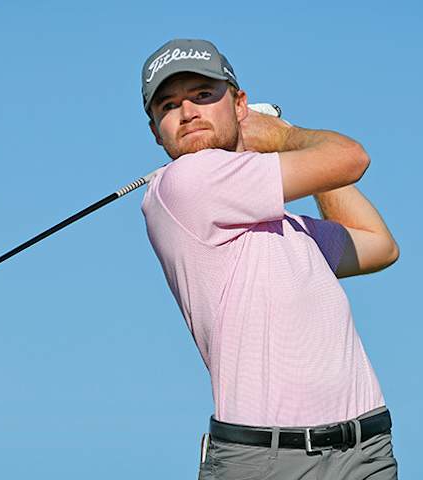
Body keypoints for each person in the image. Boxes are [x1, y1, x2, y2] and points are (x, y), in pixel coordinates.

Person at [139, 38, 400, 480]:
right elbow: (350, 158)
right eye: (168, 105)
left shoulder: (284, 226)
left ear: (240, 104)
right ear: (156, 131)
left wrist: (288, 153)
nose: (187, 113)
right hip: (265, 461)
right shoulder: (185, 183)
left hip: (364, 449)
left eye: (203, 95)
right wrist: (284, 136)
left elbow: (377, 244)